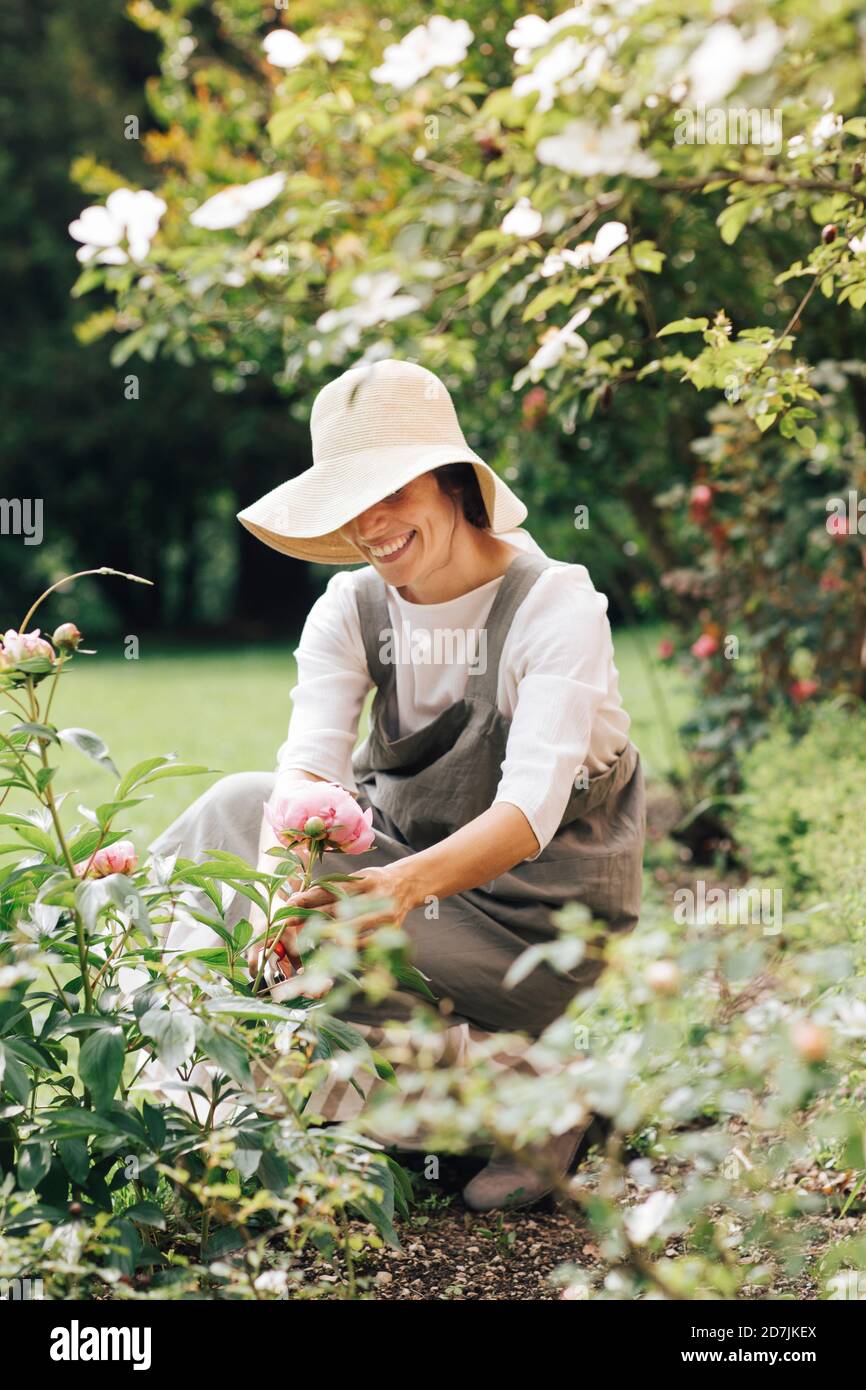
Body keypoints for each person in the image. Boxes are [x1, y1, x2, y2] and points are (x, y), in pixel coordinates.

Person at [151, 358, 645, 1211]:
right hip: (404, 901)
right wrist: (280, 904)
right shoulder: (351, 608)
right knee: (239, 809)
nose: (371, 524)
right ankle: (541, 1099)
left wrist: (393, 892)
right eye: (350, 499)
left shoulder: (556, 608)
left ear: (454, 480)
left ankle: (223, 1106)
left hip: (536, 931)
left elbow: (529, 811)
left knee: (323, 993)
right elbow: (306, 769)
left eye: (391, 489)